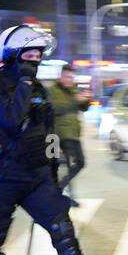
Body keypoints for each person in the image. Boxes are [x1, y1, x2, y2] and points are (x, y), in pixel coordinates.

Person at [0, 25, 117, 255]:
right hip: (3, 175)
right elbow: (11, 118)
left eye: (38, 56)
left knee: (63, 229)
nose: (35, 61)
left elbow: (47, 131)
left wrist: (52, 170)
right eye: (29, 55)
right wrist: (23, 83)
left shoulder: (36, 87)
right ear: (14, 55)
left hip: (36, 176)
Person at [47, 64, 90, 203]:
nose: (69, 79)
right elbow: (54, 109)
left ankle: (64, 193)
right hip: (60, 134)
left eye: (71, 77)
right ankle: (59, 191)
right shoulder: (52, 91)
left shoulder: (73, 90)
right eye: (66, 76)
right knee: (72, 165)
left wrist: (86, 100)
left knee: (76, 164)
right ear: (60, 76)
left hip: (73, 134)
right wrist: (75, 101)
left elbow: (82, 108)